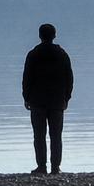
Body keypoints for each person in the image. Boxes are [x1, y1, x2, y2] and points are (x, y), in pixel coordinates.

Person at [22, 22, 74, 175]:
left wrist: (26, 97)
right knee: (56, 135)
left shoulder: (33, 54)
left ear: (39, 36)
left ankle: (41, 166)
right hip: (57, 101)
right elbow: (69, 78)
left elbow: (27, 78)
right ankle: (55, 167)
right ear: (54, 35)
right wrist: (67, 97)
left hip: (37, 101)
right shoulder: (62, 54)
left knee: (39, 135)